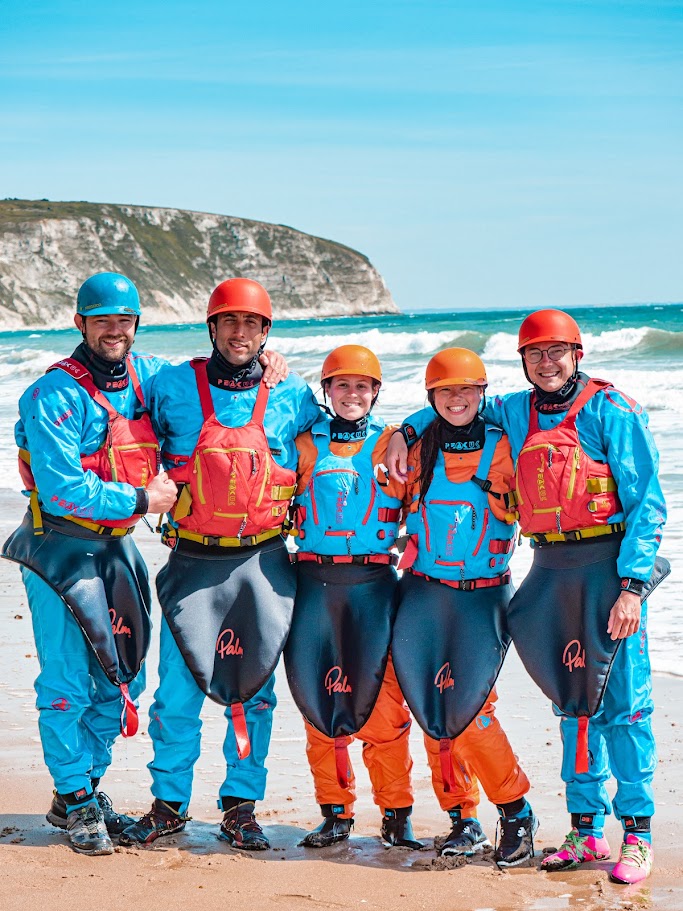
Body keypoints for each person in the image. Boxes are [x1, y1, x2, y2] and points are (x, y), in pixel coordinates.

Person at [386, 313, 666, 884]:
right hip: (549, 571)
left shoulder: (613, 411)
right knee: (571, 703)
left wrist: (633, 588)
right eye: (535, 354)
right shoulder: (515, 411)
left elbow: (648, 505)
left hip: (607, 570)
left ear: (577, 354)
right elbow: (454, 405)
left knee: (625, 707)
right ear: (523, 362)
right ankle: (585, 829)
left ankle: (636, 833)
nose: (546, 362)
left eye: (556, 352)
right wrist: (400, 433)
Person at [119, 277, 320, 850]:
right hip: (192, 563)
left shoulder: (295, 393)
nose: (240, 332)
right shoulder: (171, 383)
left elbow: (349, 433)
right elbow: (116, 381)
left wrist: (410, 433)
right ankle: (168, 804)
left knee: (253, 692)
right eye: (229, 322)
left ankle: (240, 806)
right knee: (175, 693)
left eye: (253, 324)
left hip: (263, 564)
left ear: (266, 332)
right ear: (211, 328)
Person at [1, 272, 178, 856]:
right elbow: (60, 490)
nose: (112, 330)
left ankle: (82, 785)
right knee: (66, 681)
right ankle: (76, 798)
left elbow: (214, 384)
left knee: (122, 675)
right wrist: (140, 501)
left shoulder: (147, 376)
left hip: (116, 548)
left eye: (122, 321)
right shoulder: (52, 393)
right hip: (59, 548)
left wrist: (269, 363)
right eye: (100, 319)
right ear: (80, 323)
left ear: (135, 326)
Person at [392, 347, 537, 867]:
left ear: (484, 393)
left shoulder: (507, 442)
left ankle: (516, 809)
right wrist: (403, 431)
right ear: (430, 397)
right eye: (445, 391)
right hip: (424, 592)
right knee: (432, 711)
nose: (457, 399)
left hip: (483, 596)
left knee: (472, 711)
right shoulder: (414, 444)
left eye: (467, 390)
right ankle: (462, 819)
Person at [285, 345, 421, 850]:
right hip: (315, 585)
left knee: (384, 707)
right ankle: (335, 812)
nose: (352, 394)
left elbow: (424, 507)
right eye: (341, 385)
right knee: (320, 703)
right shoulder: (303, 445)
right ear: (326, 392)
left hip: (373, 585)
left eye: (362, 385)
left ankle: (396, 813)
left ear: (377, 391)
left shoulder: (395, 444)